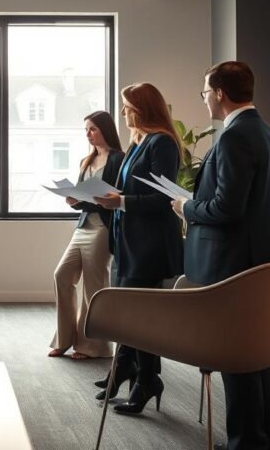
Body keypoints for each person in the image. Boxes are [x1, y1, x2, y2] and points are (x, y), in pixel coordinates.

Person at [172, 61, 270, 450]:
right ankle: (258, 440)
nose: (204, 98)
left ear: (220, 93)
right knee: (256, 355)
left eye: (205, 92)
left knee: (236, 358)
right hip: (259, 262)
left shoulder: (234, 137)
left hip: (232, 266)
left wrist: (187, 208)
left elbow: (226, 209)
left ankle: (245, 443)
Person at [94, 82, 184, 411]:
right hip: (129, 242)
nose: (122, 112)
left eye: (127, 106)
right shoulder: (138, 141)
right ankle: (130, 370)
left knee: (140, 317)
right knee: (129, 314)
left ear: (142, 108)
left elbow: (163, 199)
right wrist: (107, 199)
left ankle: (147, 379)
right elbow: (125, 191)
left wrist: (122, 201)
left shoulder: (163, 144)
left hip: (150, 246)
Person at [49, 111, 125, 360]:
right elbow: (85, 199)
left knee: (93, 286)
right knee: (62, 274)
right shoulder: (86, 160)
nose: (88, 134)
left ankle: (93, 346)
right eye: (86, 130)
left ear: (105, 129)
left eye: (92, 129)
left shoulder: (118, 159)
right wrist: (74, 200)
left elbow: (113, 198)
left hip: (102, 228)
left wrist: (89, 200)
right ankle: (64, 338)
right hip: (83, 226)